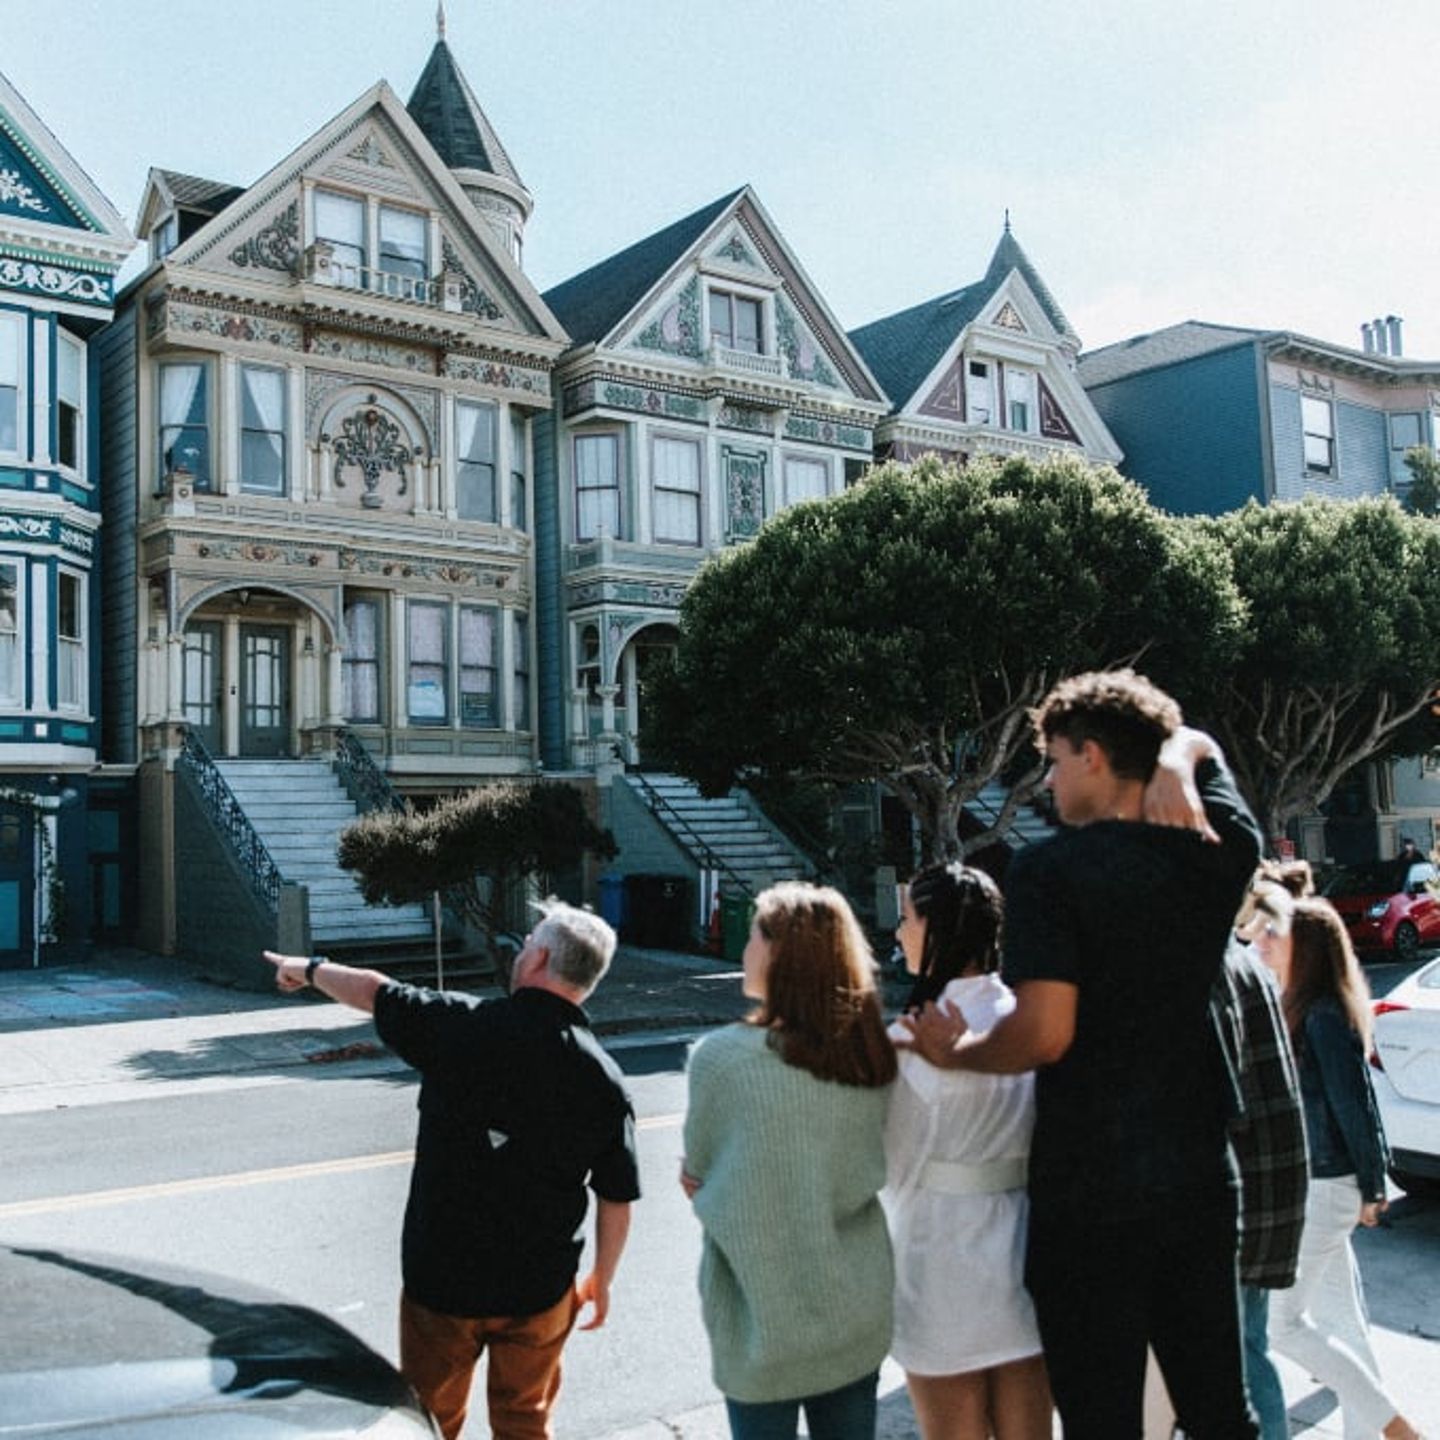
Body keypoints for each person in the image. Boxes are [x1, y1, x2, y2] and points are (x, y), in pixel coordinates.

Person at [899, 669, 1263, 1439]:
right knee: (1220, 1410)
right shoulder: (1218, 849)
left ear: (1093, 756)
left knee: (1102, 1418)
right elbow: (1205, 748)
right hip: (1198, 1176)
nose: (1050, 783)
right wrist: (1174, 756)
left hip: (1089, 1192)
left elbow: (1044, 1033)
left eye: (1056, 761)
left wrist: (958, 1051)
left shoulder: (1051, 872)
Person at [262, 900, 639, 1440]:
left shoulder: (459, 1026)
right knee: (525, 1419)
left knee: (431, 1421)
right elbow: (616, 1196)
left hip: (443, 1283)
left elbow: (372, 990)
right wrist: (603, 1278)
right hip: (541, 1290)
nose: (522, 948)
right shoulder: (604, 1078)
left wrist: (308, 969)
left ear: (538, 960)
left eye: (530, 941)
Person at [681, 881, 896, 1439]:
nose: (746, 946)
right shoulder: (869, 1053)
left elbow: (698, 1177)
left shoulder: (722, 1060)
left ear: (781, 952)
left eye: (754, 933)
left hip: (760, 1321)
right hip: (855, 1308)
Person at [1243, 894, 1425, 1440]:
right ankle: (1368, 1432)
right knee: (1342, 1320)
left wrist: (1374, 1185)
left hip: (1326, 1185)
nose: (1261, 940)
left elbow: (1354, 1102)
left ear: (1307, 947)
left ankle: (1395, 1429)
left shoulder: (1321, 1012)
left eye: (1275, 934)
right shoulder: (1299, 1003)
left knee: (1282, 1324)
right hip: (1321, 1183)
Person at [882, 861, 1052, 1439]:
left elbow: (892, 1162)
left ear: (934, 930)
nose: (899, 932)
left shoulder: (909, 1037)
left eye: (906, 919)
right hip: (1029, 1244)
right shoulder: (1026, 1016)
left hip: (938, 1251)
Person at [1215, 883, 1310, 1440]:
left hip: (1245, 1202)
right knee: (1248, 1348)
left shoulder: (1222, 970)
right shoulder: (1241, 965)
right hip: (1262, 1196)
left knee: (1245, 1355)